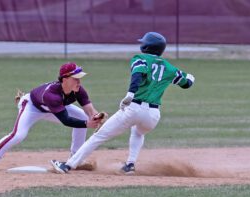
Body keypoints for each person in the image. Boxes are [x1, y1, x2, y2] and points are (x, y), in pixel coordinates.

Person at [50, 32, 195, 175]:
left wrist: (130, 95)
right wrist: (191, 77)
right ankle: (130, 165)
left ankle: (68, 165)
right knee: (138, 132)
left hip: (134, 107)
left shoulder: (141, 59)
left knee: (98, 136)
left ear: (147, 47)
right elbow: (187, 83)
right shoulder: (169, 68)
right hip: (153, 116)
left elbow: (138, 75)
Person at [0, 62, 104, 171]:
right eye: (75, 78)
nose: (79, 81)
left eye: (79, 78)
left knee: (82, 116)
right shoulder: (52, 95)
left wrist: (96, 116)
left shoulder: (78, 90)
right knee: (18, 135)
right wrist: (87, 124)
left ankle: (75, 159)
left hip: (54, 108)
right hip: (32, 107)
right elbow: (65, 120)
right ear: (65, 79)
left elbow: (90, 111)